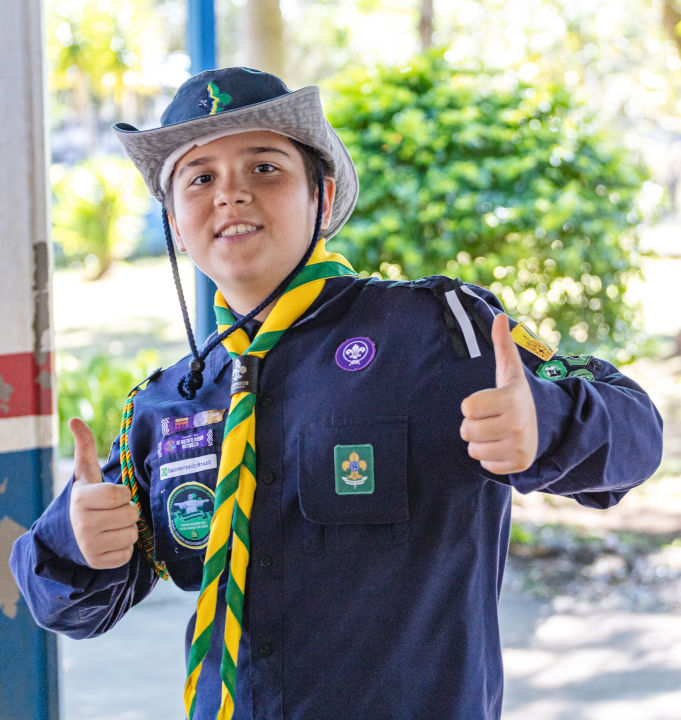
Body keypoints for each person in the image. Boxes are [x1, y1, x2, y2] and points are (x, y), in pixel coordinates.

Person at [11, 67, 663, 720]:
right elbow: (67, 606)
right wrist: (76, 544)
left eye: (264, 168)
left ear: (321, 198)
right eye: (200, 178)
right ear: (175, 225)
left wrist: (549, 422)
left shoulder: (438, 332)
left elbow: (636, 431)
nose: (230, 193)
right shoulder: (169, 404)